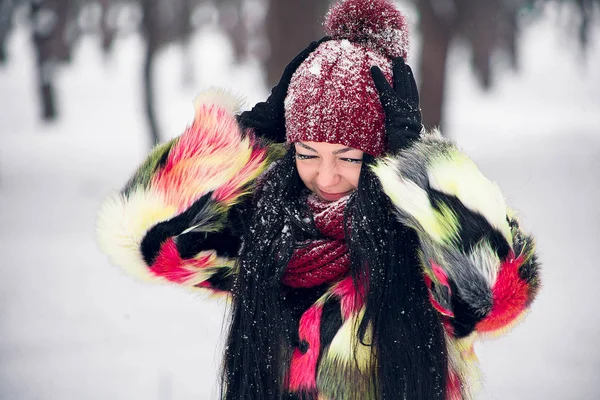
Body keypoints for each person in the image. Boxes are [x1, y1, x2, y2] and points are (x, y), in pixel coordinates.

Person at [97, 0, 540, 399]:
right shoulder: (267, 231)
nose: (325, 176)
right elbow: (147, 241)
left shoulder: (421, 243)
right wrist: (241, 138)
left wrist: (419, 167)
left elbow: (497, 294)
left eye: (347, 157)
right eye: (307, 154)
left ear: (379, 155)